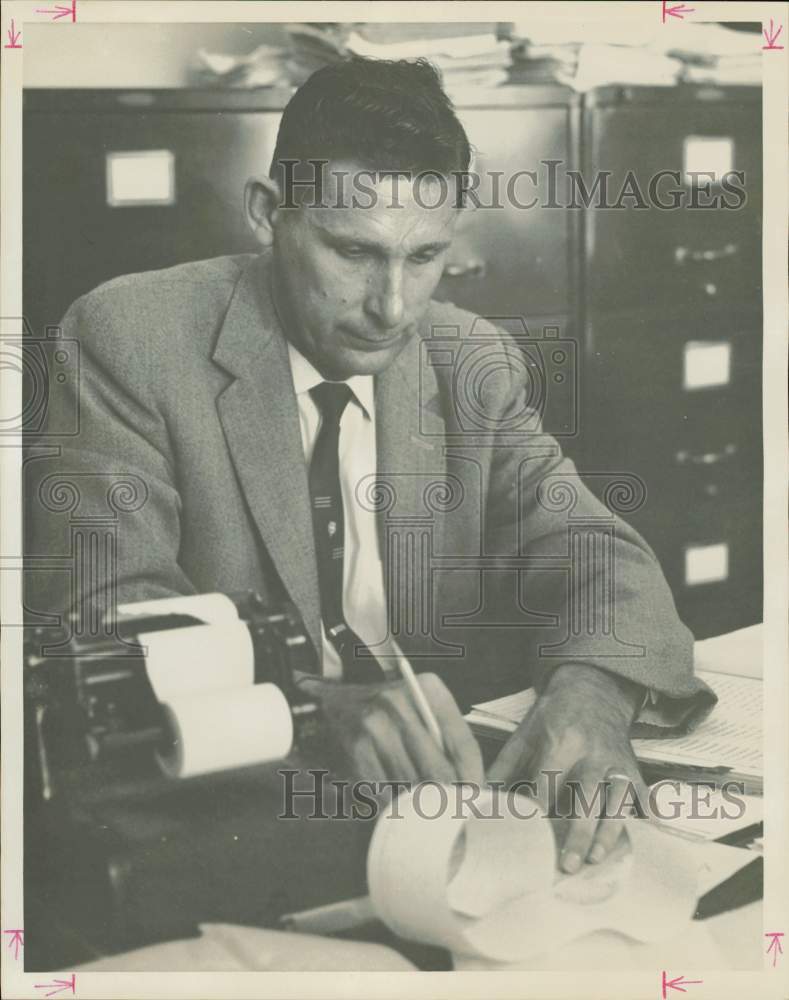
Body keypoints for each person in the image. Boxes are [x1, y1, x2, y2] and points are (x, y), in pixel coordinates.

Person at [26, 57, 713, 874]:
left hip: (439, 812)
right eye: (353, 252)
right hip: (237, 804)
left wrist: (593, 695)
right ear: (268, 214)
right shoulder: (129, 339)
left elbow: (591, 550)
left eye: (423, 257)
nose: (392, 306)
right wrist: (313, 706)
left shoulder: (469, 359)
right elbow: (111, 614)